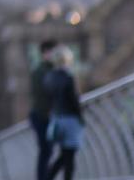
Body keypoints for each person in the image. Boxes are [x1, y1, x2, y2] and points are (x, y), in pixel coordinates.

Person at [44, 46, 84, 180]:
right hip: (70, 119)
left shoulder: (49, 77)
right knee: (69, 157)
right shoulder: (68, 76)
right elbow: (73, 100)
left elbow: (48, 99)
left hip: (57, 119)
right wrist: (80, 117)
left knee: (64, 154)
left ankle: (48, 176)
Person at [29, 39, 58, 179]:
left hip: (48, 116)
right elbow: (43, 94)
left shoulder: (53, 69)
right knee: (46, 150)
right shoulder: (40, 71)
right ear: (45, 53)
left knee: (49, 150)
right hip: (42, 116)